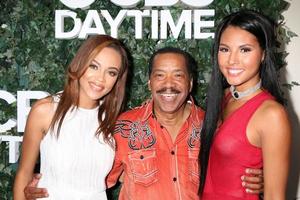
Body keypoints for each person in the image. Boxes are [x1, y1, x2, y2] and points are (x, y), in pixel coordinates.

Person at [23, 47, 263, 200]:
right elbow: (90, 176)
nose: (168, 84)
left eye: (178, 75)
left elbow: (232, 174)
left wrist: (257, 178)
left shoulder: (212, 127)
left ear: (190, 84)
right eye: (160, 75)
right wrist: (44, 186)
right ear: (149, 83)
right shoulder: (122, 128)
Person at [13, 35, 129, 200]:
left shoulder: (115, 120)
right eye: (94, 66)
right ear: (80, 63)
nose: (100, 78)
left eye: (111, 72)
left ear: (117, 80)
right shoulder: (45, 110)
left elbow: (130, 173)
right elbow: (24, 173)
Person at [199, 10, 291, 200]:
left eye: (245, 50)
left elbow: (275, 195)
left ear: (263, 54)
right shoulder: (223, 97)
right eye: (224, 49)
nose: (232, 60)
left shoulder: (271, 114)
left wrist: (268, 180)